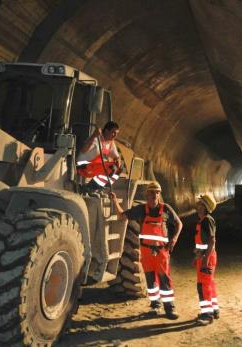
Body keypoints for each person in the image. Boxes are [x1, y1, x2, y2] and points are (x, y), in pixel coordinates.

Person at [109, 181, 183, 319]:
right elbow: (121, 217)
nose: (153, 195)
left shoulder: (166, 209)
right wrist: (114, 201)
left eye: (156, 193)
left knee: (164, 280)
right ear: (146, 195)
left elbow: (179, 223)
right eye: (150, 193)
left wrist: (174, 239)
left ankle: (170, 308)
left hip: (161, 252)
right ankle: (155, 306)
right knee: (150, 280)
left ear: (159, 194)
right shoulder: (141, 209)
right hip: (146, 252)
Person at [194, 193, 219, 325]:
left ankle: (206, 315)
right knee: (209, 284)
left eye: (200, 203)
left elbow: (212, 241)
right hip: (204, 256)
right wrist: (197, 254)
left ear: (204, 206)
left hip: (206, 258)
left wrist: (205, 260)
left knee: (203, 287)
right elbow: (204, 242)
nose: (197, 205)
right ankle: (214, 310)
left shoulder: (207, 220)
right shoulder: (203, 220)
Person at [76, 121, 121, 189]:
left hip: (93, 166)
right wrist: (93, 135)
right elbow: (83, 150)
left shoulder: (110, 143)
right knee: (111, 168)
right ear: (106, 131)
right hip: (82, 165)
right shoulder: (97, 138)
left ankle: (96, 188)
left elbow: (117, 157)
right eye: (113, 132)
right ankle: (89, 188)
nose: (115, 135)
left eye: (116, 133)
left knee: (118, 169)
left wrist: (118, 162)